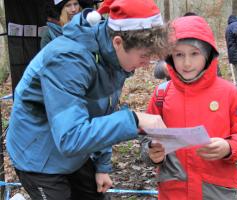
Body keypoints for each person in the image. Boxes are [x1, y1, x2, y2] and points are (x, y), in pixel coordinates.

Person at [6, 0, 169, 199]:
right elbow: (70, 137)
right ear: (118, 42)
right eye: (144, 57)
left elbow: (103, 110)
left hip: (74, 149)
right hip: (38, 155)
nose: (146, 65)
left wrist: (102, 166)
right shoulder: (68, 59)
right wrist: (133, 119)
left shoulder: (112, 57)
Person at [140, 15, 237, 200]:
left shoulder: (227, 92)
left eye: (194, 53)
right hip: (173, 191)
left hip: (216, 191)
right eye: (179, 54)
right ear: (170, 57)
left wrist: (229, 147)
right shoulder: (161, 94)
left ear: (207, 54)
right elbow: (146, 138)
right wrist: (151, 153)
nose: (187, 63)